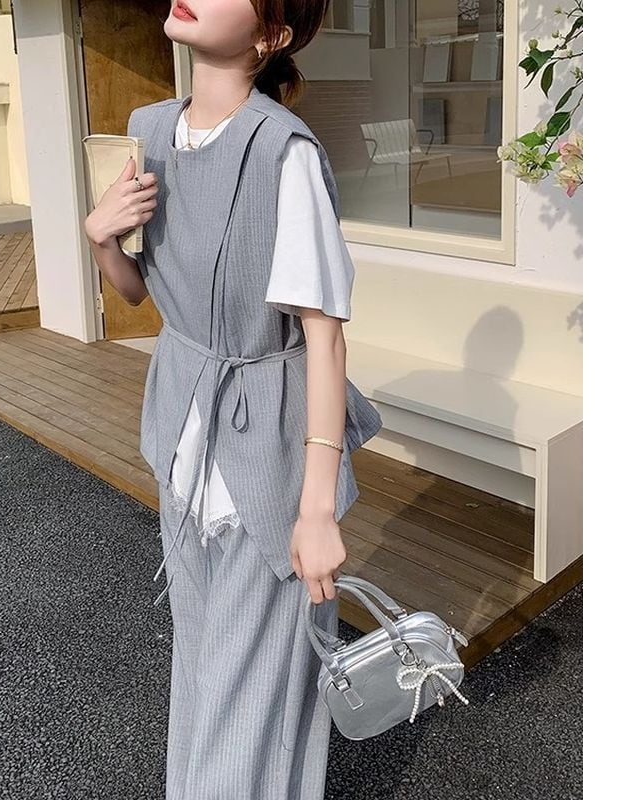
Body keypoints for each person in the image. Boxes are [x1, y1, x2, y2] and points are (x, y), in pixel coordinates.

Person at [84, 2, 382, 797]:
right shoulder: (148, 129)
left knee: (253, 700)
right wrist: (102, 238)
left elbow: (324, 337)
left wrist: (316, 511)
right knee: (203, 670)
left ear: (270, 36)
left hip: (270, 450)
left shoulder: (284, 151)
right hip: (183, 432)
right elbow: (139, 291)